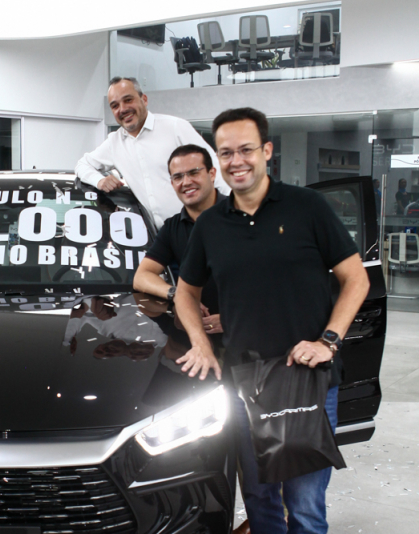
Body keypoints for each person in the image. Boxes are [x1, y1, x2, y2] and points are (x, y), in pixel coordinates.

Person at [173, 108, 370, 534]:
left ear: (266, 151)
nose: (236, 161)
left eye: (245, 149)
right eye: (226, 152)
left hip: (307, 378)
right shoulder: (210, 224)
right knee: (259, 501)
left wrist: (328, 341)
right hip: (245, 382)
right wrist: (201, 343)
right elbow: (185, 293)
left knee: (304, 506)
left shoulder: (308, 207)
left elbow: (356, 279)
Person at [75, 76, 229, 228]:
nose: (122, 109)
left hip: (203, 226)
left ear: (144, 99)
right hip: (161, 236)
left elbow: (216, 168)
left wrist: (232, 214)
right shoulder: (114, 143)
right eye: (115, 106)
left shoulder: (175, 127)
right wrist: (99, 180)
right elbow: (82, 165)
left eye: (128, 100)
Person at [133, 144, 225, 340]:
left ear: (212, 174)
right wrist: (178, 295)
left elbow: (275, 284)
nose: (186, 182)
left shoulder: (242, 217)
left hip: (248, 338)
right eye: (178, 177)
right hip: (196, 337)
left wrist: (232, 320)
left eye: (194, 172)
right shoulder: (172, 227)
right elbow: (142, 276)